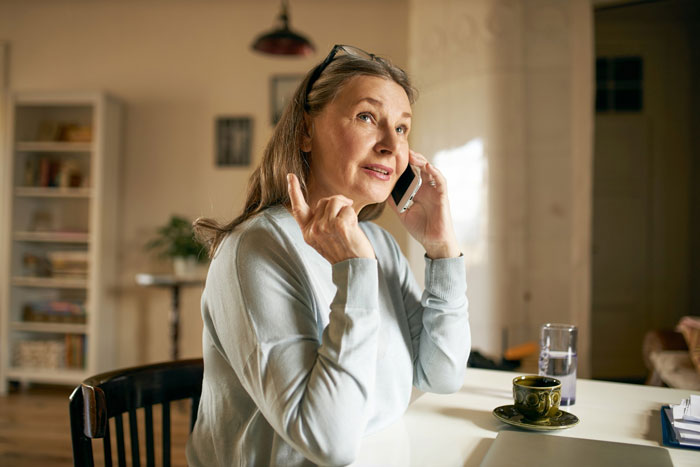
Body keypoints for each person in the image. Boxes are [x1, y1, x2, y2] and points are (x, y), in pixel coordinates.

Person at [187, 44, 470, 467]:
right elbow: (327, 443)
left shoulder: (379, 246)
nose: (392, 145)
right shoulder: (255, 250)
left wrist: (442, 250)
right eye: (367, 117)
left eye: (403, 128)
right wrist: (354, 274)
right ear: (305, 131)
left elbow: (441, 375)